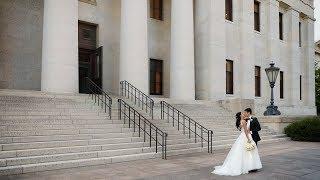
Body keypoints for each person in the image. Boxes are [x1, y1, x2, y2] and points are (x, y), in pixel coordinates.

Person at [212, 112, 262, 176]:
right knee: (248, 151)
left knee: (246, 151)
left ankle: (249, 166)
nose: (244, 114)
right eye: (242, 114)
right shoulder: (243, 121)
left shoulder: (242, 121)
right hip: (246, 136)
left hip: (243, 136)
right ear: (241, 116)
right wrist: (249, 139)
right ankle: (249, 166)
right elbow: (246, 131)